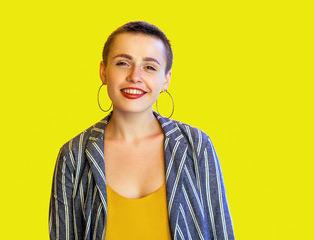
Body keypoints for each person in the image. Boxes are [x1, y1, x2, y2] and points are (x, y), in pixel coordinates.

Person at [49, 21, 234, 240]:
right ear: (103, 72)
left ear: (166, 79)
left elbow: (221, 233)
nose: (135, 76)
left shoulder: (197, 146)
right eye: (123, 63)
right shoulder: (73, 155)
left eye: (149, 67)